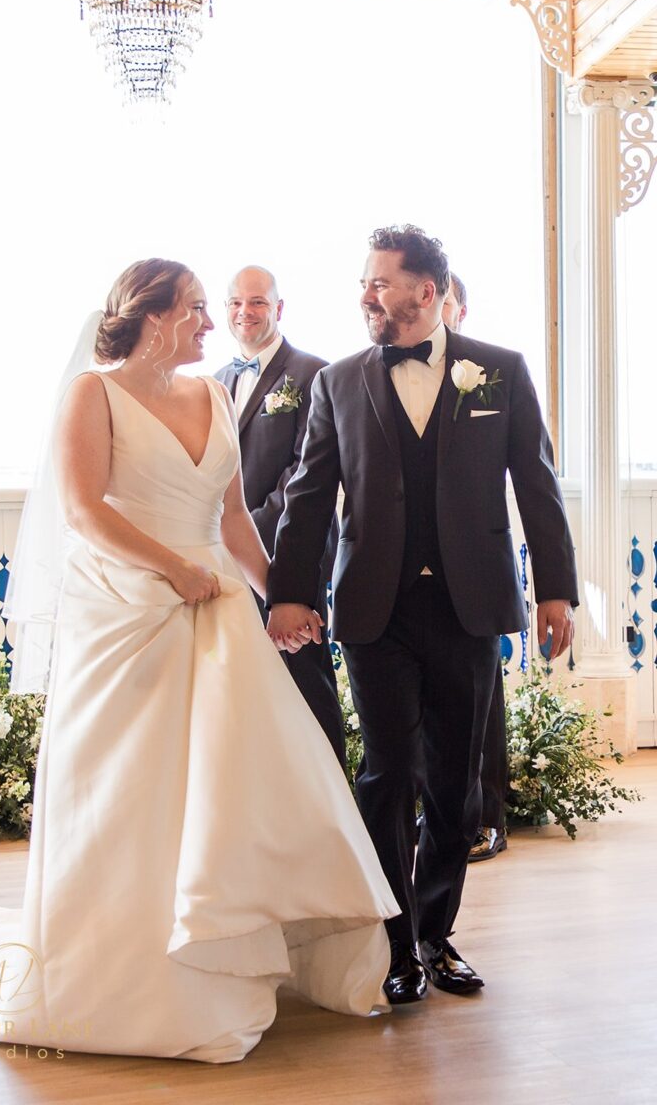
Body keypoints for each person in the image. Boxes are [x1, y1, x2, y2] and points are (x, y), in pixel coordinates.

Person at [0, 259, 399, 1062]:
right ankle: (128, 968)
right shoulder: (93, 393)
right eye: (197, 309)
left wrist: (280, 600)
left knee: (242, 785)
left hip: (216, 606)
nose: (211, 323)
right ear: (155, 316)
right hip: (126, 612)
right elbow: (85, 510)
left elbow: (233, 520)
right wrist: (173, 569)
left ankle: (230, 949)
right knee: (135, 787)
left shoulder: (218, 395)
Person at [267, 225, 577, 1004]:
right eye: (366, 284)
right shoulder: (338, 383)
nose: (367, 295)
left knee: (453, 784)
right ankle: (396, 945)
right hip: (377, 608)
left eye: (379, 281)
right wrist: (290, 594)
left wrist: (556, 590)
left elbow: (536, 485)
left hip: (469, 606)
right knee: (387, 773)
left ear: (427, 291)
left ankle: (438, 935)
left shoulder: (497, 372)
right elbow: (308, 497)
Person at [215, 265, 345, 765]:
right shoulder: (215, 382)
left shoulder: (312, 373)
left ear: (279, 308)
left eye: (257, 302)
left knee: (304, 672)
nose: (244, 312)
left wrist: (241, 530)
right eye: (235, 303)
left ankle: (331, 789)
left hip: (292, 551)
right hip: (230, 554)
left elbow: (304, 477)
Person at [441, 272, 508, 863]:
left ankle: (488, 817)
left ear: (459, 307)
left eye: (448, 301)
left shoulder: (491, 373)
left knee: (483, 711)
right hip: (408, 580)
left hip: (477, 574)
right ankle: (437, 813)